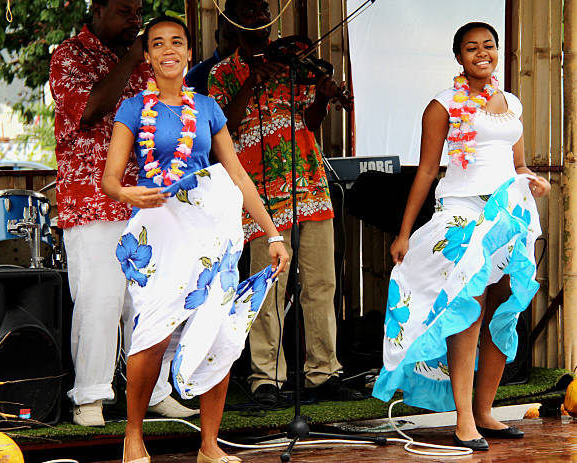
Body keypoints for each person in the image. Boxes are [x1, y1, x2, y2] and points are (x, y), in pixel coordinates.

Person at [101, 15, 289, 463]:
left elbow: (237, 174)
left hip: (211, 232)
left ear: (189, 53)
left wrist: (273, 232)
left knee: (217, 330)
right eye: (158, 43)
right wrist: (128, 192)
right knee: (150, 332)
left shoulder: (207, 108)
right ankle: (133, 436)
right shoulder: (133, 109)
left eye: (178, 43)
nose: (168, 50)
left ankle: (209, 444)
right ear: (146, 56)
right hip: (161, 231)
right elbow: (110, 179)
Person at [372, 22, 551, 451]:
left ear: (497, 51)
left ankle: (486, 411)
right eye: (472, 48)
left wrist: (533, 180)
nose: (482, 53)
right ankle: (464, 419)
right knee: (466, 309)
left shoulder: (512, 103)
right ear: (459, 57)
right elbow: (428, 171)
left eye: (488, 45)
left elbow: (518, 164)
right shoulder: (443, 105)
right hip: (463, 211)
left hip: (508, 211)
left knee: (503, 306)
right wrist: (404, 232)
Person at [49, 0, 197, 427]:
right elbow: (90, 109)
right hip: (94, 199)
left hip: (150, 200)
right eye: (124, 10)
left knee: (152, 301)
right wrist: (133, 56)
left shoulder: (147, 65)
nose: (134, 18)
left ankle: (153, 391)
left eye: (138, 11)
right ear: (97, 12)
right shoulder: (69, 56)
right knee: (101, 298)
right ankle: (91, 398)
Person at [208, 0, 363, 406]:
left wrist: (323, 98)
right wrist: (251, 82)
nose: (260, 16)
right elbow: (221, 131)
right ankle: (266, 378)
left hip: (310, 187)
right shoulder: (222, 73)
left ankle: (323, 372)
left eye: (264, 9)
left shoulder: (295, 62)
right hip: (260, 196)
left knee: (321, 285)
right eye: (250, 10)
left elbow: (309, 122)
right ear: (232, 20)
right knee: (268, 289)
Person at [185, 14, 236, 95]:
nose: (236, 42)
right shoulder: (197, 76)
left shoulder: (254, 72)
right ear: (217, 37)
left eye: (242, 36)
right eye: (229, 36)